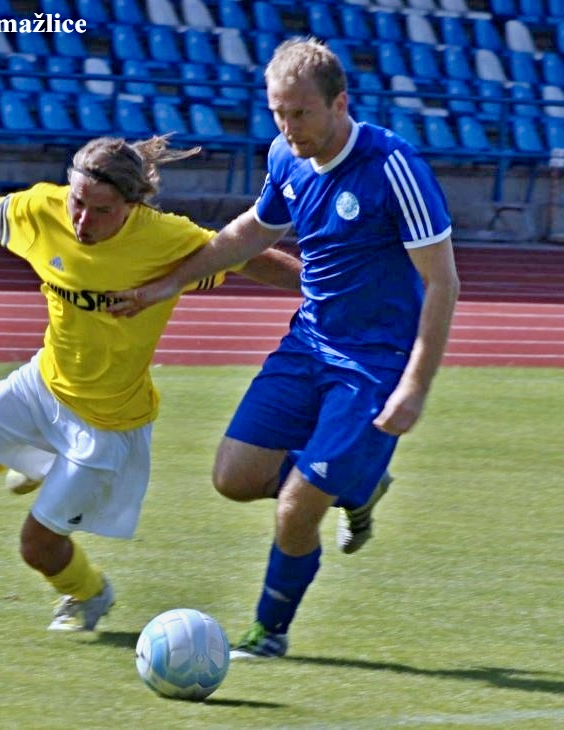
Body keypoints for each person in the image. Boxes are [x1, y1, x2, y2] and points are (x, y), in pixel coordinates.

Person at [0, 135, 302, 632]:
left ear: (133, 206)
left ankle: (90, 594)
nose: (82, 221)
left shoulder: (166, 238)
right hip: (41, 386)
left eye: (101, 210)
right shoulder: (43, 208)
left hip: (108, 423)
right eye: (77, 202)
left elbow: (245, 256)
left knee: (37, 547)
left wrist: (324, 285)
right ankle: (43, 460)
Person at [108, 38, 461, 657]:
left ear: (340, 103)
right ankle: (356, 485)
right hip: (308, 343)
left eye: (301, 113)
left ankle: (268, 630)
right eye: (278, 113)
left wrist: (415, 385)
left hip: (373, 365)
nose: (289, 127)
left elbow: (442, 281)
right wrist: (167, 285)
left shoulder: (392, 167)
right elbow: (251, 232)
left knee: (297, 507)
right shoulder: (284, 155)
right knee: (234, 477)